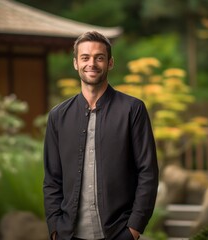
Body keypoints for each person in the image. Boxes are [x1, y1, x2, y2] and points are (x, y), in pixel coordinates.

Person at [43, 31, 159, 240]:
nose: (92, 63)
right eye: (85, 57)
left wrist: (134, 229)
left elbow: (147, 173)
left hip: (118, 232)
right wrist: (54, 227)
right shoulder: (58, 116)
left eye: (99, 57)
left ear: (110, 62)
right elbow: (52, 178)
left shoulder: (133, 109)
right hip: (68, 234)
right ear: (76, 63)